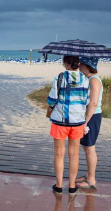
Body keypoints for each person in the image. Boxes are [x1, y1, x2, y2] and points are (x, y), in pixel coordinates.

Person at [47, 56, 90, 195]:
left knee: (59, 155)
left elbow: (52, 99)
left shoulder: (60, 77)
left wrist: (50, 107)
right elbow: (87, 100)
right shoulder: (85, 79)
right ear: (78, 64)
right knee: (74, 154)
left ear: (66, 63)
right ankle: (72, 186)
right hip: (77, 122)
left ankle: (59, 186)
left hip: (60, 121)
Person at [75, 57, 102, 189]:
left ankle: (91, 179)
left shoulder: (94, 81)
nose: (79, 66)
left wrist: (85, 122)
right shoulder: (89, 80)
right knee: (86, 147)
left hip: (92, 116)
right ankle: (88, 175)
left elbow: (93, 103)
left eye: (81, 64)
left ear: (87, 65)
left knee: (90, 148)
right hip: (89, 116)